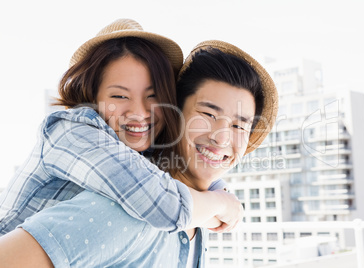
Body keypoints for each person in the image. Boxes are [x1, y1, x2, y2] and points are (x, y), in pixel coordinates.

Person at [0, 40, 278, 267]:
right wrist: (222, 202)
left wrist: (219, 199)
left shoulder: (199, 219)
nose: (221, 137)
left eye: (239, 125)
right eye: (207, 114)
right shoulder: (128, 209)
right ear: (174, 113)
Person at [0, 19, 243, 237]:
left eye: (153, 95)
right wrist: (224, 204)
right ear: (92, 96)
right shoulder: (71, 133)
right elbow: (167, 207)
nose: (139, 112)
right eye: (119, 96)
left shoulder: (136, 149)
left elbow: (185, 183)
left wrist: (217, 194)